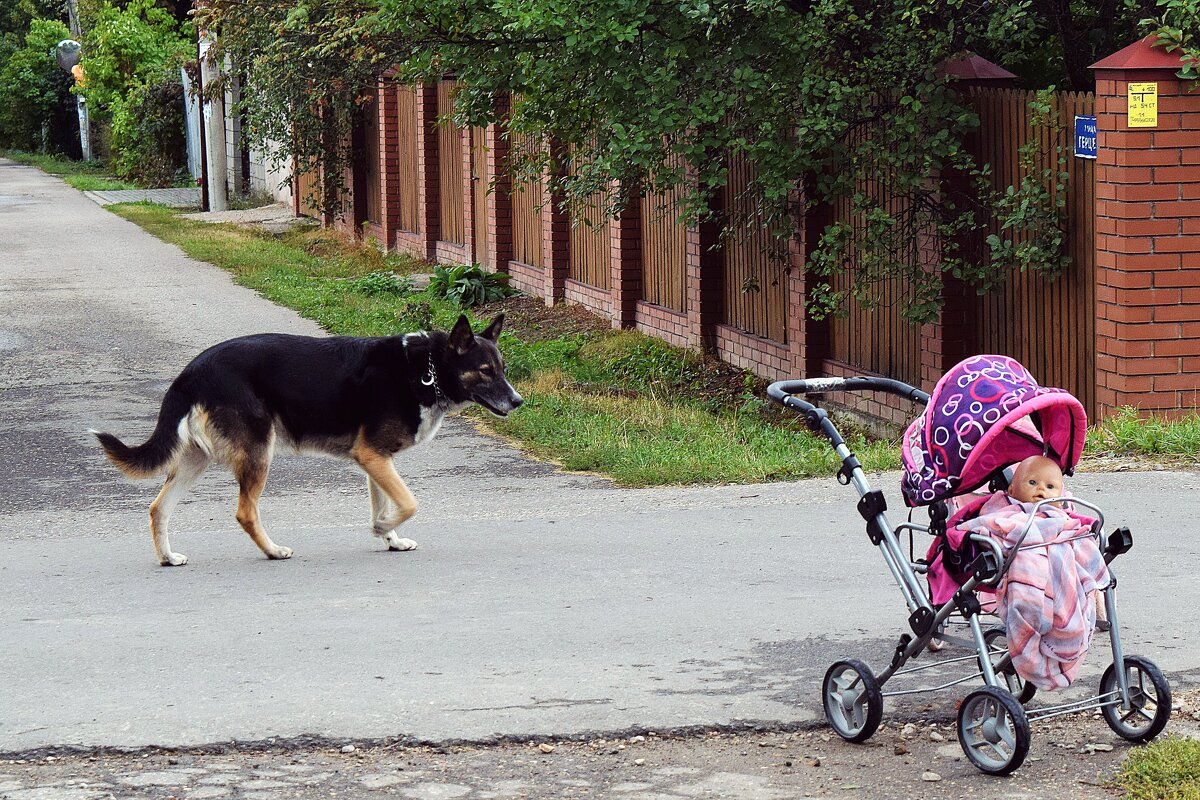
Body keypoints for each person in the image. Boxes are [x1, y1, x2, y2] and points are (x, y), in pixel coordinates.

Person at [1003, 455, 1109, 631]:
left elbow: (1073, 523)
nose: (1041, 490)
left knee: (1079, 545)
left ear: (1060, 499)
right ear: (1011, 491)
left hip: (1059, 554)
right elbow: (993, 524)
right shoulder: (1009, 511)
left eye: (1050, 487)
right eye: (1032, 483)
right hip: (1026, 560)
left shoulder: (1059, 514)